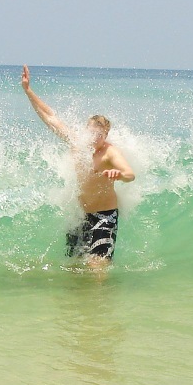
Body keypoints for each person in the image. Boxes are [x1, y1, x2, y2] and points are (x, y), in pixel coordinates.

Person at [21, 64, 135, 268]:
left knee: (96, 266)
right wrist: (28, 91)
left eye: (99, 135)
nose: (94, 137)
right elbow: (50, 118)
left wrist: (117, 173)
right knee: (73, 265)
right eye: (91, 132)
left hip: (104, 216)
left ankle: (102, 290)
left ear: (106, 135)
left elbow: (129, 174)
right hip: (80, 216)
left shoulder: (109, 152)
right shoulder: (77, 144)